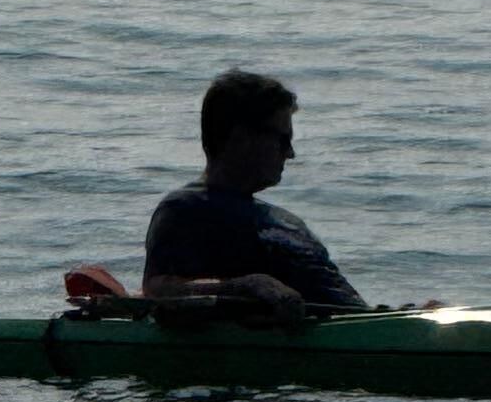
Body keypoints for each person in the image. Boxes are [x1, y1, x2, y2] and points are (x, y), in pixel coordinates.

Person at [141, 67, 367, 320]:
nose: (290, 153)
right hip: (316, 342)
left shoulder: (286, 220)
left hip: (365, 329)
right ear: (241, 139)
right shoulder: (185, 209)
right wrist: (244, 286)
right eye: (282, 140)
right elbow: (158, 291)